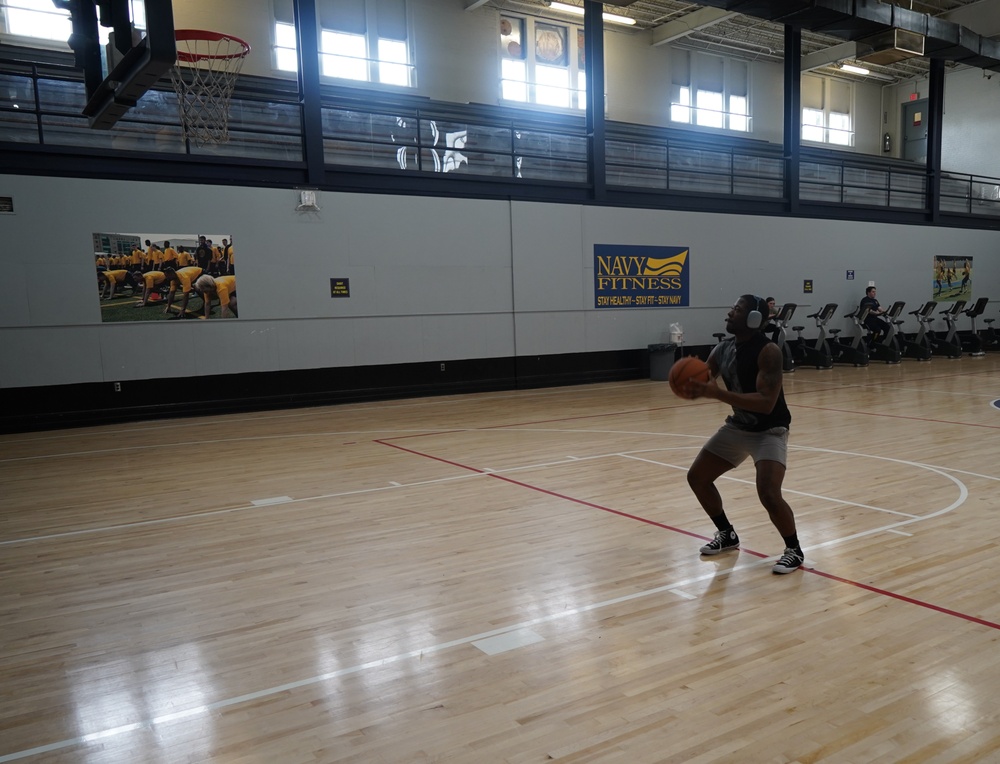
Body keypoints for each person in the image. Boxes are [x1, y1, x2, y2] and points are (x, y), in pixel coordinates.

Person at [683, 294, 804, 575]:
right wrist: (688, 380)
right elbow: (705, 376)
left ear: (753, 319)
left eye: (736, 310)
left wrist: (718, 393)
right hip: (739, 425)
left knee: (769, 493)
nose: (729, 313)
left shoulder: (768, 351)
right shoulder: (722, 349)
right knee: (697, 478)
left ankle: (794, 550)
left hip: (769, 431)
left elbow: (766, 403)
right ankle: (727, 534)